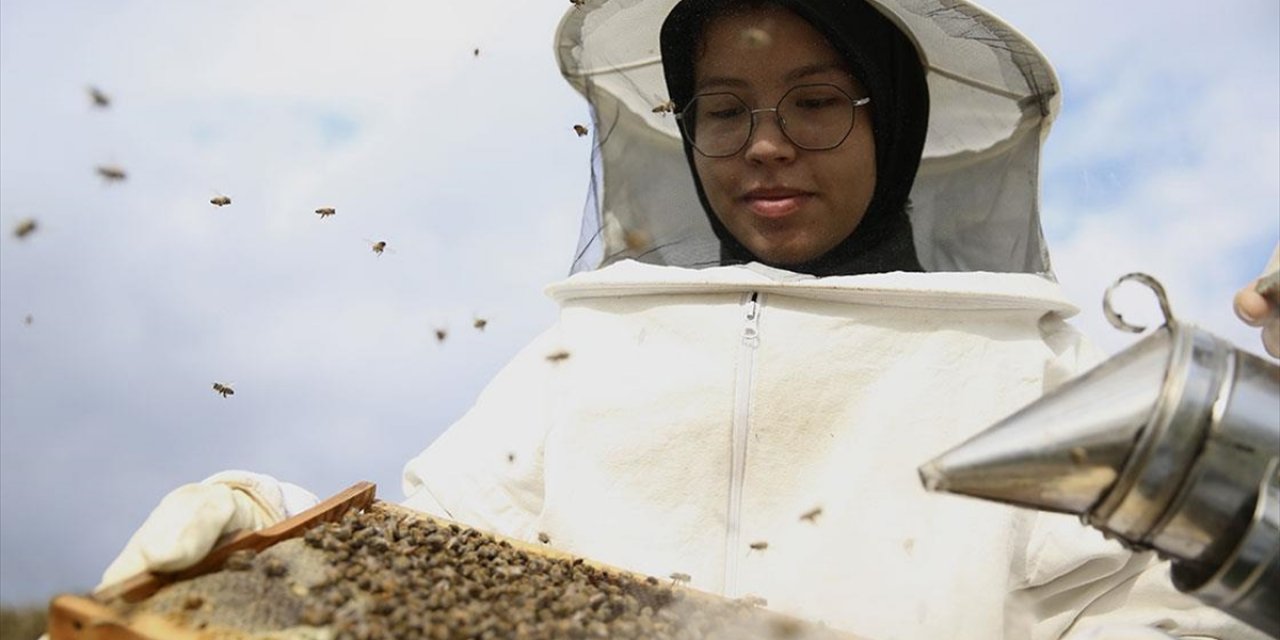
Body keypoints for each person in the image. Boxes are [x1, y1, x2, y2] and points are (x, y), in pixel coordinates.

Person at [97, 1, 1275, 638]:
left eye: (816, 102)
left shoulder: (1037, 377)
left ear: (896, 124)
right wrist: (272, 528)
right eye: (722, 109)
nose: (763, 142)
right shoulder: (583, 352)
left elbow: (1179, 624)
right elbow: (430, 575)